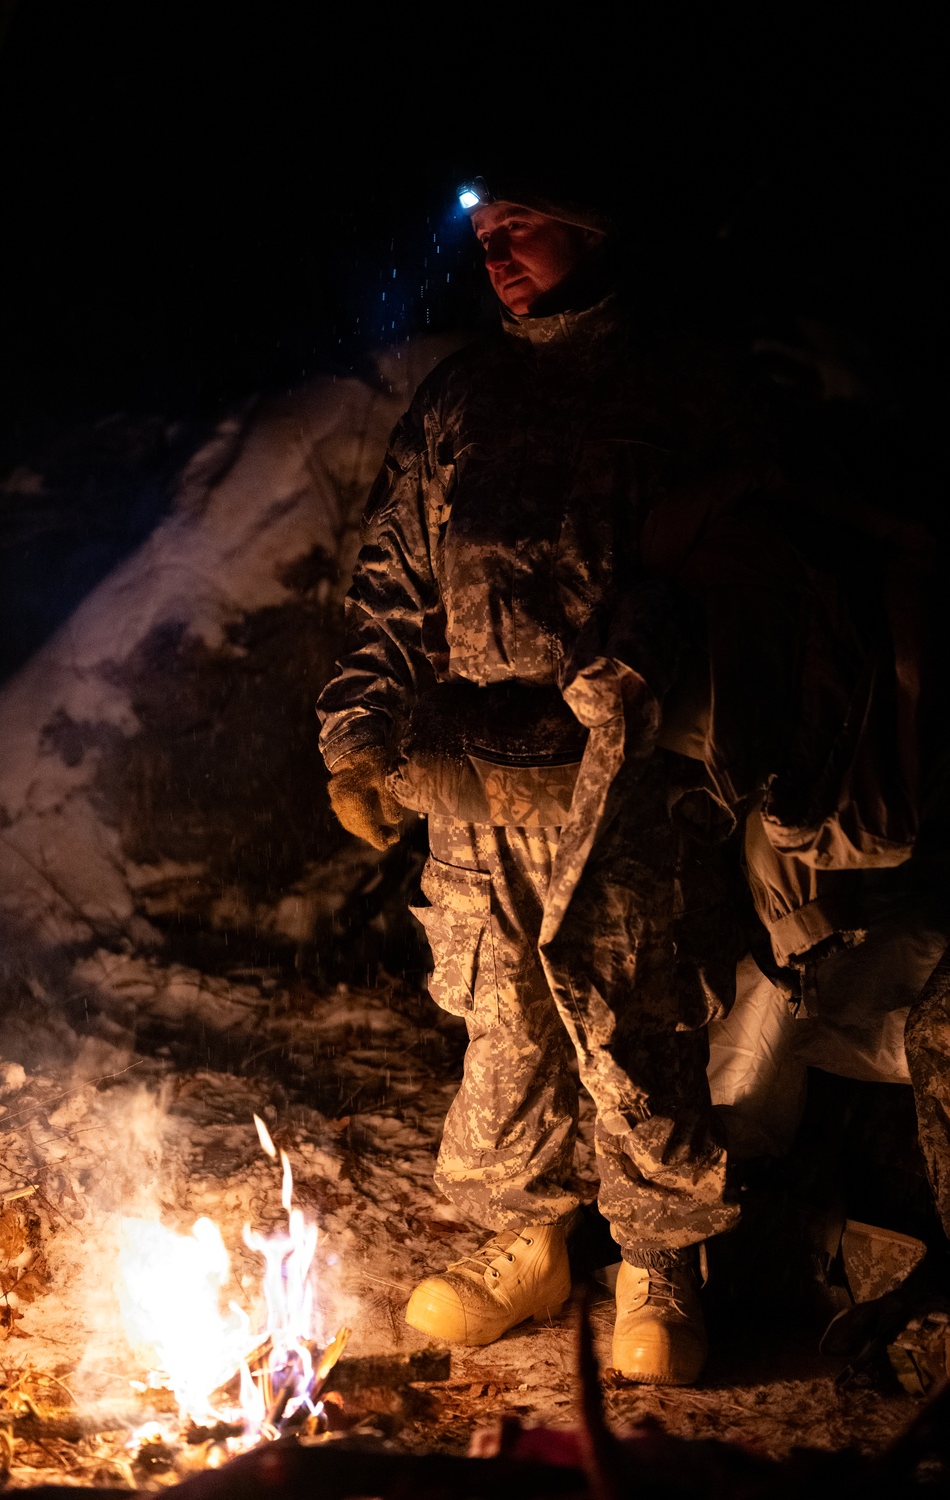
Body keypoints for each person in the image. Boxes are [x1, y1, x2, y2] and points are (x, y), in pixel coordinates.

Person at [316, 170, 759, 1386]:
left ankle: (662, 1262)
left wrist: (637, 688)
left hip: (629, 783)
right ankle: (529, 1239)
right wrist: (360, 733)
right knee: (497, 1008)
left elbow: (739, 568)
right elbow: (396, 576)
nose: (495, 254)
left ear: (594, 222)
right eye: (481, 236)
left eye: (520, 228)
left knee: (634, 1010)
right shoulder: (469, 393)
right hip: (470, 777)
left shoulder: (685, 382)